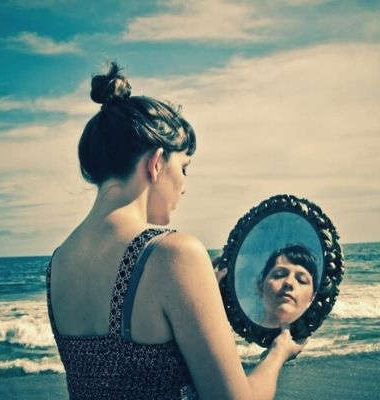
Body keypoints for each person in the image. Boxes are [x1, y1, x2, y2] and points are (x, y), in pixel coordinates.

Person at [46, 62, 305, 400]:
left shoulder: (58, 263)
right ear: (156, 163)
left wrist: (197, 292)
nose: (183, 185)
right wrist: (277, 354)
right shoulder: (173, 253)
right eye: (183, 167)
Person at [256, 245, 319, 328]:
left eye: (301, 280)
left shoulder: (324, 341)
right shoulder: (233, 339)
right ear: (261, 287)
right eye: (279, 275)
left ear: (312, 298)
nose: (289, 282)